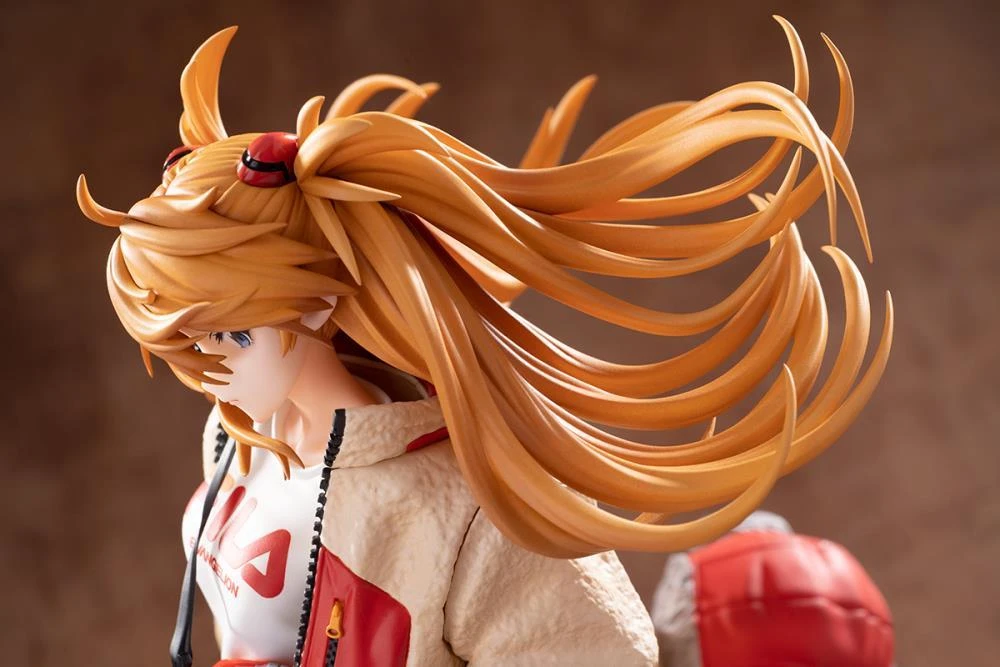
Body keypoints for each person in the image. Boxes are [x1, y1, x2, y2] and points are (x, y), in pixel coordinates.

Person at [77, 15, 892, 667]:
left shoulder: (468, 504)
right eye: (188, 340)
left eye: (232, 332)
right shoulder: (236, 436)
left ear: (321, 300)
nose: (209, 366)